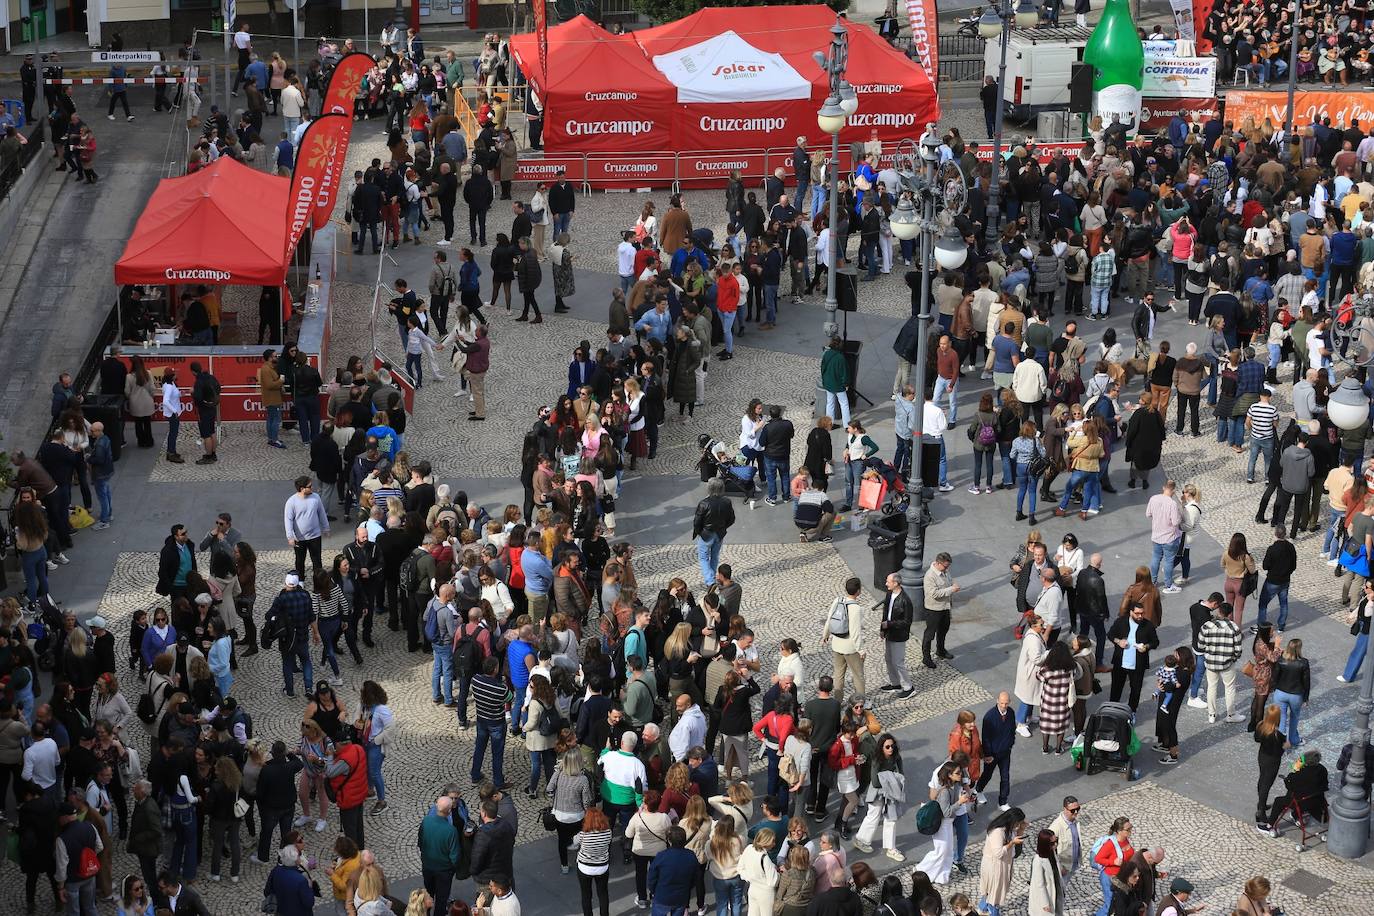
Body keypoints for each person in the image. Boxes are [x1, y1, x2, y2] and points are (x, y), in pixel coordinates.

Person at [915, 761, 971, 885]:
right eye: (957, 773)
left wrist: (962, 797)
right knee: (941, 851)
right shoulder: (945, 791)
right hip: (942, 824)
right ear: (949, 775)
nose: (960, 774)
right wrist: (960, 802)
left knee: (947, 850)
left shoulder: (955, 786)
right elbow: (946, 812)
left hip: (948, 823)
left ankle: (942, 875)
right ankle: (922, 869)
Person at [977, 806, 1027, 916]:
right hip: (995, 866)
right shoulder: (997, 831)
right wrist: (1012, 843)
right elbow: (998, 853)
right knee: (995, 891)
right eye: (1018, 823)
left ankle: (982, 908)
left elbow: (1015, 845)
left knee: (992, 890)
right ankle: (993, 911)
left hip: (1004, 864)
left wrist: (1021, 830)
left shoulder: (1010, 829)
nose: (1018, 825)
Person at [822, 578, 865, 702]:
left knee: (838, 675)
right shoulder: (856, 608)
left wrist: (825, 635)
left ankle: (838, 701)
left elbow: (830, 618)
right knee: (858, 676)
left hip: (837, 645)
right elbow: (855, 631)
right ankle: (860, 701)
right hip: (850, 648)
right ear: (858, 591)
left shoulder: (838, 600)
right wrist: (860, 650)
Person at [921, 552, 960, 670]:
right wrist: (951, 589)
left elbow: (950, 580)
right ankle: (926, 657)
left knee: (943, 630)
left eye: (948, 566)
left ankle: (941, 650)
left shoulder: (945, 571)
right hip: (933, 609)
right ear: (938, 563)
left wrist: (953, 584)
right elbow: (934, 594)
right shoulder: (930, 576)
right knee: (930, 634)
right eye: (945, 566)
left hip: (945, 607)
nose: (947, 568)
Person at [877, 572, 913, 697]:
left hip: (899, 636)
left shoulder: (905, 600)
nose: (886, 583)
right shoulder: (889, 594)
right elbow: (885, 612)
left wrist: (890, 624)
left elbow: (907, 622)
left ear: (896, 583)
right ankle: (895, 684)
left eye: (888, 581)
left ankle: (909, 687)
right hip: (890, 633)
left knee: (898, 662)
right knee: (888, 659)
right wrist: (882, 628)